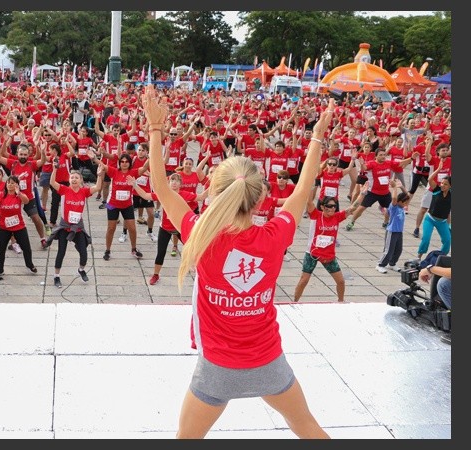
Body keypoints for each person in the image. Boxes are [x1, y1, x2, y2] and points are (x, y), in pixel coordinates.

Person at [142, 84, 332, 439]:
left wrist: (155, 129)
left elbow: (161, 188)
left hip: (217, 369)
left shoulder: (200, 235)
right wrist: (316, 139)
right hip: (269, 362)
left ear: (213, 191)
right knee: (306, 427)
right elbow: (303, 190)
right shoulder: (275, 236)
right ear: (260, 200)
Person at [130, 172, 205, 286]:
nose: (174, 183)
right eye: (172, 180)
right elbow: (146, 195)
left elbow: (201, 197)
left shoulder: (184, 194)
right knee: (161, 252)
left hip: (180, 228)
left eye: (176, 181)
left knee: (193, 248)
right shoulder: (164, 194)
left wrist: (214, 185)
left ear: (180, 184)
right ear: (169, 183)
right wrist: (135, 184)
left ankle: (201, 272)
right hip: (165, 228)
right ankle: (156, 275)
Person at [46, 161, 105, 288]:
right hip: (65, 226)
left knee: (84, 253)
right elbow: (52, 183)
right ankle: (56, 276)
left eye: (76, 177)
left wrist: (99, 175)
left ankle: (81, 269)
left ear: (81, 180)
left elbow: (98, 188)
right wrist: (54, 169)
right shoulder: (64, 190)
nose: (74, 179)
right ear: (69, 179)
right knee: (61, 252)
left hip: (78, 227)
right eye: (72, 177)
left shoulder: (84, 192)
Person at [0, 176, 39, 277]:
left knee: (26, 247)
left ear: (17, 184)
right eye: (8, 183)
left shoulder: (19, 195)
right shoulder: (1, 195)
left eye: (12, 183)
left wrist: (19, 192)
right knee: (0, 249)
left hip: (19, 226)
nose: (10, 185)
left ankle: (29, 265)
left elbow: (26, 201)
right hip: (4, 227)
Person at [416, 161, 451, 259]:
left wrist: (449, 225)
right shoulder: (436, 190)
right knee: (426, 239)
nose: (442, 185)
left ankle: (441, 258)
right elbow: (430, 178)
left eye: (445, 184)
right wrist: (438, 170)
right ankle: (419, 257)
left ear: (450, 186)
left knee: (448, 241)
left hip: (443, 222)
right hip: (430, 219)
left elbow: (448, 211)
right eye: (442, 183)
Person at [376, 179, 411, 273]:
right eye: (404, 203)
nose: (406, 205)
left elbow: (408, 196)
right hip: (392, 231)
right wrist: (395, 187)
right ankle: (380, 264)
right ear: (399, 202)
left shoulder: (402, 207)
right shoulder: (394, 207)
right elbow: (394, 198)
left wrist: (402, 187)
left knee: (398, 250)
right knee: (389, 250)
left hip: (399, 232)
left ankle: (392, 263)